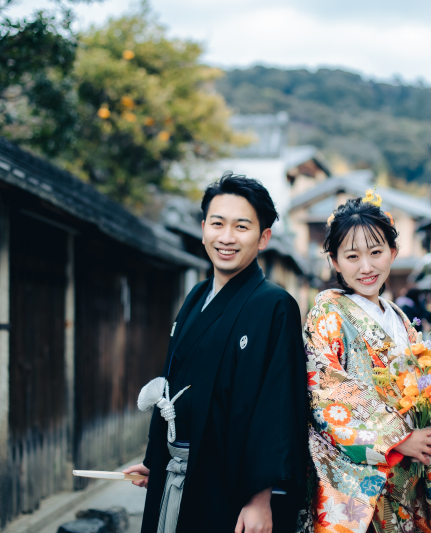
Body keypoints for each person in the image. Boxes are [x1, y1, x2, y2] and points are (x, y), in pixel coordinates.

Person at [123, 172, 307, 532]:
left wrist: (260, 499)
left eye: (241, 227)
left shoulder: (275, 306)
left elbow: (277, 406)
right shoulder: (195, 297)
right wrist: (157, 459)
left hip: (232, 484)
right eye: (218, 224)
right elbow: (170, 387)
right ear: (204, 227)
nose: (226, 237)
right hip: (179, 472)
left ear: (264, 237)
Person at [302, 194, 431, 533]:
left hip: (406, 472)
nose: (366, 267)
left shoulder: (398, 318)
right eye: (352, 256)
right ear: (335, 262)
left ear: (393, 253)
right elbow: (326, 392)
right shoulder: (327, 312)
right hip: (358, 471)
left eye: (376, 253)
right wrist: (397, 440)